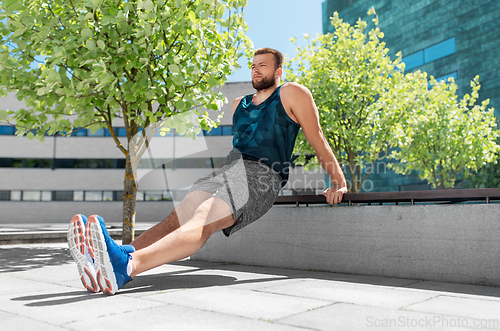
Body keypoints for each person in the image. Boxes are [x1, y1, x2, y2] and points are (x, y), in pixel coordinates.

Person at [67, 47, 348, 295]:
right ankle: (110, 259)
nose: (256, 69)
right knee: (176, 218)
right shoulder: (241, 105)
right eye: (252, 65)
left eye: (263, 65)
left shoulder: (291, 93)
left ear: (278, 70)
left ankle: (125, 268)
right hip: (226, 171)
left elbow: (317, 136)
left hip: (261, 175)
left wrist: (338, 181)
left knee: (202, 218)